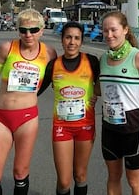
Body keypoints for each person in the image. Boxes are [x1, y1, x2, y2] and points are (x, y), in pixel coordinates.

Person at [0, 8, 57, 195]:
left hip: (27, 118)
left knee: (21, 171)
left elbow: (53, 78)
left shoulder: (49, 53)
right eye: (23, 30)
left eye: (33, 30)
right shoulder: (7, 48)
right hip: (2, 117)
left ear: (42, 29)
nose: (28, 34)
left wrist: (35, 93)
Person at [97, 11, 139, 195]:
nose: (109, 35)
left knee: (134, 180)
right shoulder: (103, 58)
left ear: (125, 30)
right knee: (113, 177)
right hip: (109, 126)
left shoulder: (138, 57)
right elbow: (96, 90)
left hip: (132, 126)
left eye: (113, 30)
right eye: (105, 31)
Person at [38, 21, 100, 195]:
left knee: (80, 175)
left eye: (76, 38)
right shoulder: (53, 65)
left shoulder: (92, 62)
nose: (72, 42)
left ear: (81, 41)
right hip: (62, 127)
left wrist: (95, 92)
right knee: (64, 181)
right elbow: (36, 91)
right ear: (62, 40)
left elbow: (106, 83)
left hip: (85, 127)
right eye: (68, 37)